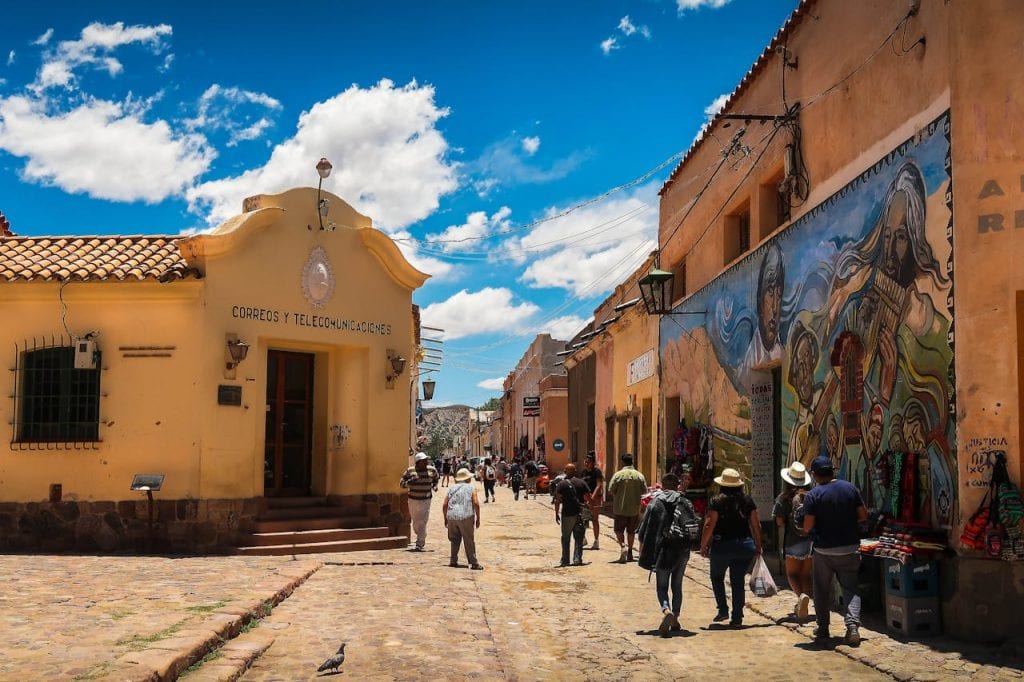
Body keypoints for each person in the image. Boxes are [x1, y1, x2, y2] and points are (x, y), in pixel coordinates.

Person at [802, 455, 868, 646]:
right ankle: (853, 626)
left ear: (814, 475)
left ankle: (823, 628)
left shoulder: (813, 495)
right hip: (850, 548)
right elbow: (863, 516)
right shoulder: (850, 488)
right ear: (832, 471)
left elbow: (807, 527)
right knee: (850, 588)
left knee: (822, 590)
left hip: (824, 551)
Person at [699, 468, 762, 627]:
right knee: (738, 581)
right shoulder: (747, 500)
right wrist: (758, 545)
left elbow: (709, 525)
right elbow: (756, 524)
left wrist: (704, 545)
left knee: (717, 577)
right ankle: (737, 617)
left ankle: (723, 609)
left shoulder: (716, 501)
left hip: (723, 545)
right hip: (745, 545)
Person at [637, 473, 695, 637]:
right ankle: (675, 618)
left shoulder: (655, 502)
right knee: (677, 585)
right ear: (678, 485)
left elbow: (644, 530)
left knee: (662, 586)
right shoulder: (685, 501)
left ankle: (666, 609)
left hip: (663, 549)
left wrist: (643, 547)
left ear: (662, 485)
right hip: (682, 549)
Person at [773, 461, 813, 619]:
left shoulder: (784, 498)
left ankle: (801, 597)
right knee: (805, 575)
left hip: (792, 541)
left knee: (791, 574)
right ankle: (804, 603)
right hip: (810, 540)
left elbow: (779, 522)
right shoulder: (811, 496)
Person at [608, 453, 648, 563]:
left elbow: (611, 490)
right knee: (631, 531)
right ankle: (630, 551)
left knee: (618, 530)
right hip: (634, 509)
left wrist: (619, 496)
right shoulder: (639, 475)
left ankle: (623, 546)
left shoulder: (618, 475)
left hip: (620, 508)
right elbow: (645, 492)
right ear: (632, 461)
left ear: (623, 462)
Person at [443, 468, 483, 570]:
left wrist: (446, 518)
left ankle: (453, 560)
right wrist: (478, 518)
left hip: (452, 516)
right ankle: (473, 563)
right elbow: (476, 503)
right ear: (467, 478)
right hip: (466, 516)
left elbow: (444, 504)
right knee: (468, 539)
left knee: (455, 540)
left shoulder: (451, 489)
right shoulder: (471, 488)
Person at [553, 464, 590, 567]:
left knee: (565, 538)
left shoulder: (561, 484)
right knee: (579, 538)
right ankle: (577, 558)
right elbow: (588, 498)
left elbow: (557, 500)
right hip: (579, 514)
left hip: (567, 514)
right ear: (575, 470)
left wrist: (556, 513)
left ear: (565, 471)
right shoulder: (582, 482)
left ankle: (565, 560)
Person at [400, 452, 439, 551]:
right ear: (418, 462)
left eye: (426, 460)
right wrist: (411, 481)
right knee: (416, 521)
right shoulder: (410, 471)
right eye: (423, 461)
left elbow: (436, 479)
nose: (425, 462)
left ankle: (420, 542)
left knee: (423, 521)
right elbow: (401, 484)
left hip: (426, 499)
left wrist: (434, 486)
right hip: (413, 499)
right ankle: (421, 534)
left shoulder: (432, 470)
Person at [581, 452, 605, 550]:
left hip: (595, 499)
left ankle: (596, 541)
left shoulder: (597, 472)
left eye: (588, 462)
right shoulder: (583, 472)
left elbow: (599, 485)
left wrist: (592, 498)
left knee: (595, 520)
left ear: (593, 463)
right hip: (585, 498)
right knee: (583, 519)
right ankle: (583, 539)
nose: (586, 463)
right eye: (585, 461)